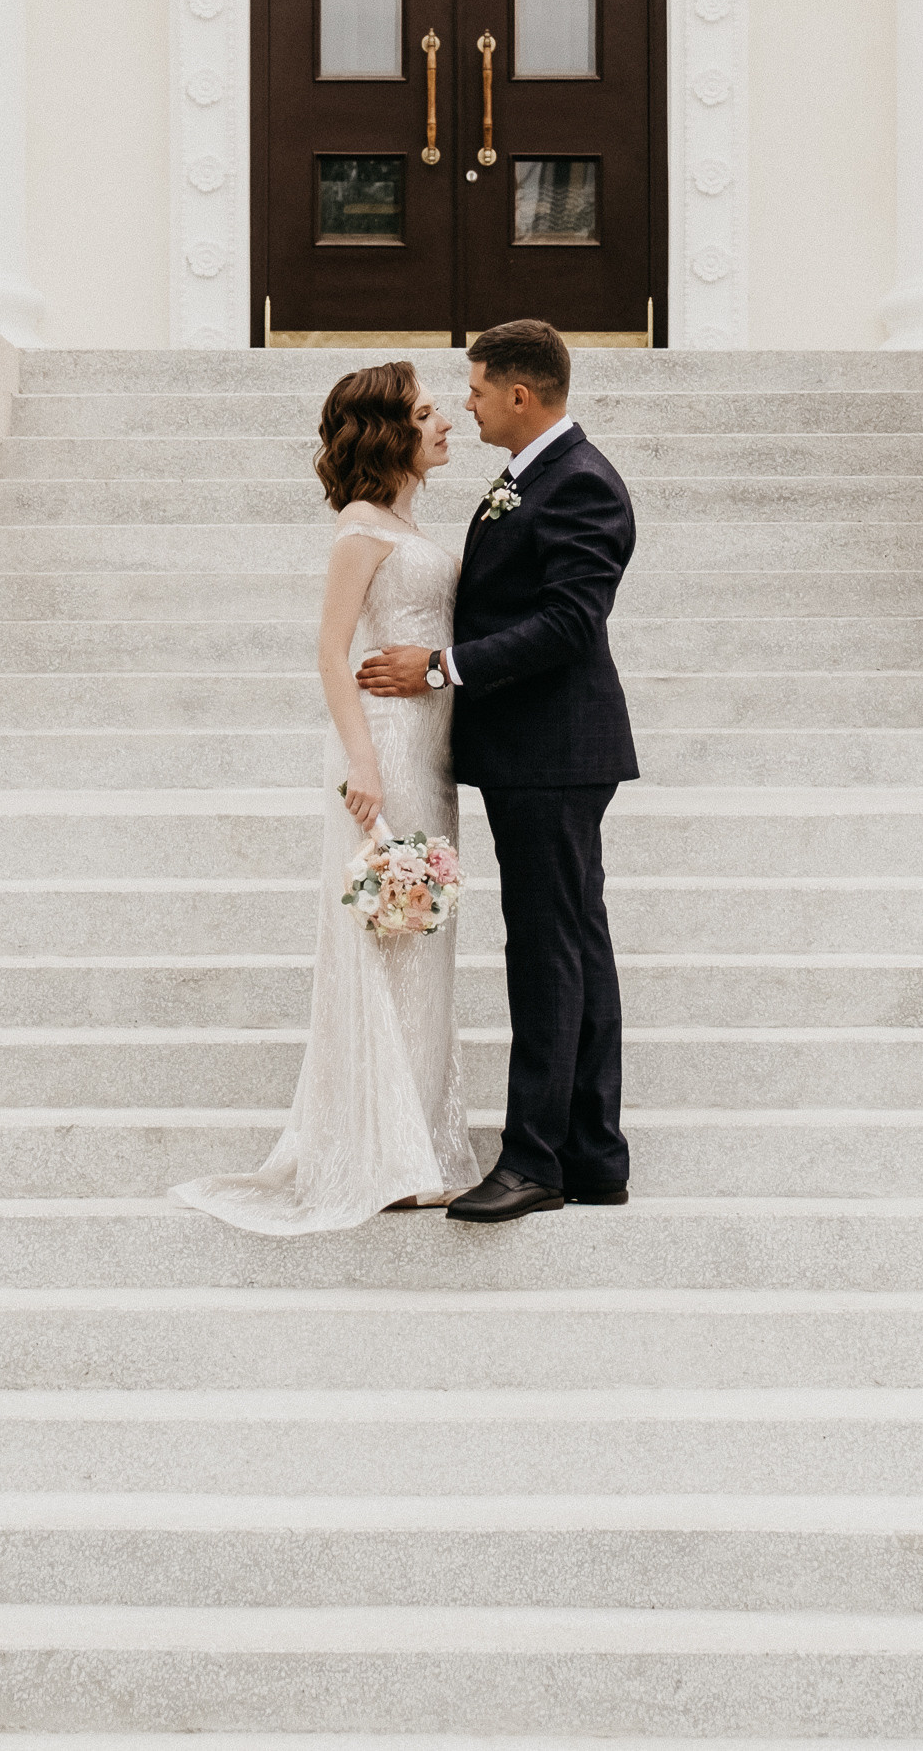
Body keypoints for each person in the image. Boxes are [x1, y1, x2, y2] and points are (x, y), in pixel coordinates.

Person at [173, 361, 477, 1234]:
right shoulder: (359, 530)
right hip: (385, 749)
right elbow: (330, 650)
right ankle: (383, 1151)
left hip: (430, 750)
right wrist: (361, 765)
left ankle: (417, 1136)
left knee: (422, 938)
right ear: (392, 434)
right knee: (386, 936)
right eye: (427, 413)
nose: (446, 422)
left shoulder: (404, 521)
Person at [360, 317, 638, 1223]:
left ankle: (534, 1164)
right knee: (574, 946)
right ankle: (591, 1154)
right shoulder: (532, 476)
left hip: (554, 753)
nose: (466, 403)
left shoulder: (583, 486)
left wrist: (441, 669)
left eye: (476, 389)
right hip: (536, 753)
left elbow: (568, 624)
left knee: (547, 954)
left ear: (520, 395)